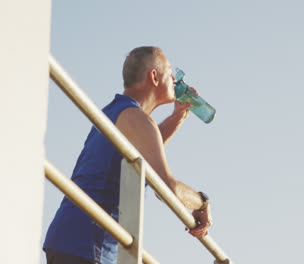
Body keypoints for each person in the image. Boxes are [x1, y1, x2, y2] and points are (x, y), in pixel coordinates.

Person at [43, 46, 213, 264]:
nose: (175, 79)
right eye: (171, 72)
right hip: (89, 244)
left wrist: (177, 118)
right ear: (154, 76)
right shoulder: (137, 118)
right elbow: (166, 188)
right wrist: (203, 203)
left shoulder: (118, 110)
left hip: (70, 239)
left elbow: (144, 151)